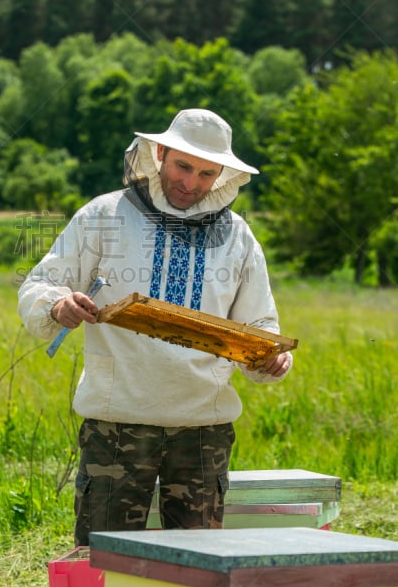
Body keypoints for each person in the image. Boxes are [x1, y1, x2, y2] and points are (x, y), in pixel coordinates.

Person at [18, 108, 293, 546]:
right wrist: (58, 305)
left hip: (203, 429)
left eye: (206, 173)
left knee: (199, 571)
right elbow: (41, 285)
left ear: (222, 174)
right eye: (183, 166)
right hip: (118, 424)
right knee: (105, 563)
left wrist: (272, 359)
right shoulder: (104, 215)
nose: (191, 183)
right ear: (159, 153)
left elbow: (259, 326)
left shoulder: (238, 236)